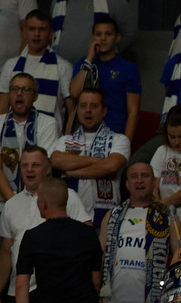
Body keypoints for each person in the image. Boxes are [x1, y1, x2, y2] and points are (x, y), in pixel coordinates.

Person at [0, 147, 91, 303]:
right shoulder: (11, 205)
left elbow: (86, 237)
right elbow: (6, 252)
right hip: (18, 292)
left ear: (48, 168)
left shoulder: (67, 196)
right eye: (25, 165)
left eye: (36, 165)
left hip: (57, 294)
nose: (29, 170)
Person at [15, 178, 103, 303]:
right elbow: (96, 280)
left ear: (43, 203)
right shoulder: (88, 233)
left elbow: (21, 283)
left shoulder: (33, 236)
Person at [99, 162, 180, 303]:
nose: (139, 180)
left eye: (145, 176)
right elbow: (100, 255)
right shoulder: (112, 215)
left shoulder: (167, 215)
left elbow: (178, 256)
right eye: (134, 176)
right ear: (127, 184)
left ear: (154, 182)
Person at [0, 72, 64, 213]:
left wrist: (27, 206)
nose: (19, 93)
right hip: (2, 203)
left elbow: (44, 167)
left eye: (26, 89)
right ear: (9, 94)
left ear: (35, 96)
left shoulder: (48, 123)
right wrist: (15, 205)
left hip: (38, 203)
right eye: (15, 89)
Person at [50, 86, 130, 225]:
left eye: (94, 106)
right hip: (70, 217)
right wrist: (97, 161)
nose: (88, 110)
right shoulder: (66, 140)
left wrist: (73, 172)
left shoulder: (119, 139)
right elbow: (56, 160)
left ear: (104, 111)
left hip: (105, 219)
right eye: (83, 106)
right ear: (77, 111)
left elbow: (111, 166)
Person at [0, 10, 72, 122]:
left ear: (50, 33)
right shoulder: (11, 65)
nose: (36, 34)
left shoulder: (63, 66)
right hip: (14, 131)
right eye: (32, 29)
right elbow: (1, 109)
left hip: (50, 132)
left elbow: (72, 112)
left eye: (42, 29)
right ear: (24, 32)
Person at [69, 15, 141, 141]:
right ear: (92, 38)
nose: (103, 38)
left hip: (115, 133)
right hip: (84, 134)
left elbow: (133, 112)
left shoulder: (129, 68)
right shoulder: (83, 63)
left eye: (108, 34)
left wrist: (126, 144)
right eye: (98, 34)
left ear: (117, 37)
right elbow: (74, 93)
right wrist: (89, 59)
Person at [154, 106, 181, 230]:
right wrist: (157, 207)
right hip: (163, 220)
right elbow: (153, 185)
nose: (177, 141)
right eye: (172, 137)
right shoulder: (162, 151)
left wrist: (161, 205)